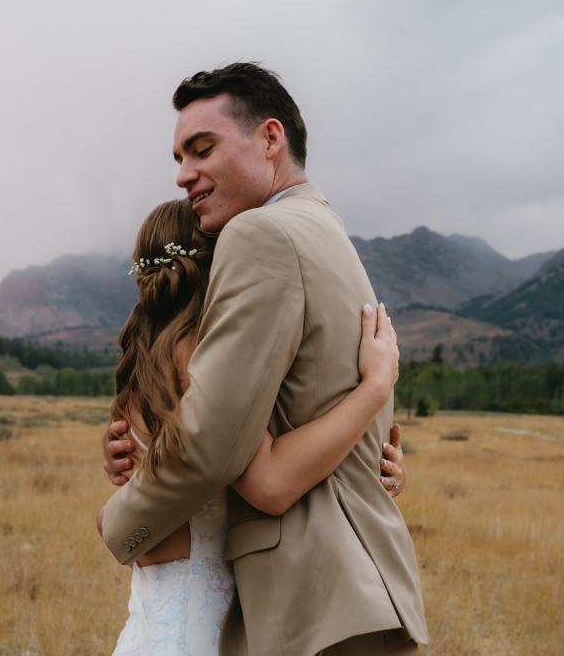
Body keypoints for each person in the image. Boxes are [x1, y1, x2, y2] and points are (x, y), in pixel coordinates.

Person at [100, 62, 428, 654]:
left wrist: (119, 519)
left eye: (201, 149)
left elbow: (217, 449)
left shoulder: (261, 235)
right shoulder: (327, 232)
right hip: (359, 593)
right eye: (178, 158)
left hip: (310, 604)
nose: (183, 175)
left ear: (270, 138)